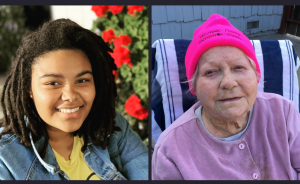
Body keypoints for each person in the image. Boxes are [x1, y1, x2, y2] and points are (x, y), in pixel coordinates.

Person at [152, 14, 300, 180]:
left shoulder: (284, 112)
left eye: (238, 67)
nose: (228, 83)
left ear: (256, 75)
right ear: (194, 87)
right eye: (210, 72)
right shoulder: (170, 150)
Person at [0, 19, 148, 180]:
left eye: (82, 80)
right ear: (29, 88)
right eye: (53, 83)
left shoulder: (113, 128)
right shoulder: (6, 158)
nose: (70, 95)